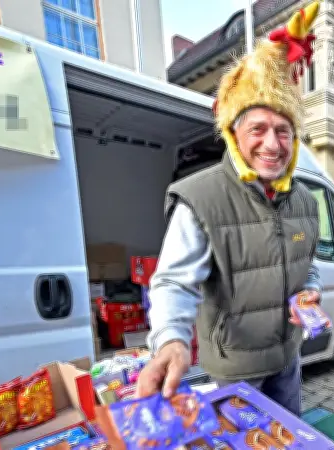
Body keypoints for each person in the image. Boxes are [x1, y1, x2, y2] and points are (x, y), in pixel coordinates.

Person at [135, 2, 322, 416]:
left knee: (286, 439)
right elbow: (173, 283)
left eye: (283, 131)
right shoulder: (201, 197)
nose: (272, 144)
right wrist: (170, 340)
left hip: (287, 361)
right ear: (234, 133)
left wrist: (311, 291)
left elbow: (307, 267)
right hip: (236, 369)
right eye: (258, 129)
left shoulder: (306, 202)